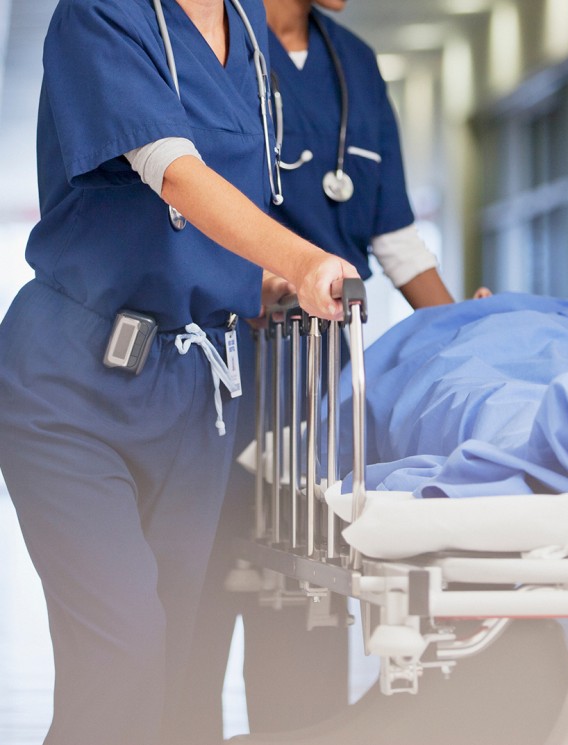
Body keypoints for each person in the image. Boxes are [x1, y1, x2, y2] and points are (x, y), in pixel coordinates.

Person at [0, 0, 359, 743]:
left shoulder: (246, 26)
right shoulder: (101, 14)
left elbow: (222, 206)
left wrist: (258, 282)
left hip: (196, 392)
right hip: (73, 387)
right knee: (121, 656)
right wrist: (301, 260)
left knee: (173, 671)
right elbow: (175, 174)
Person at [174, 0, 456, 740]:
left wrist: (461, 332)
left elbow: (396, 237)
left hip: (320, 381)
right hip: (218, 367)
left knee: (307, 603)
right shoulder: (208, 37)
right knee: (192, 617)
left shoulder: (353, 64)